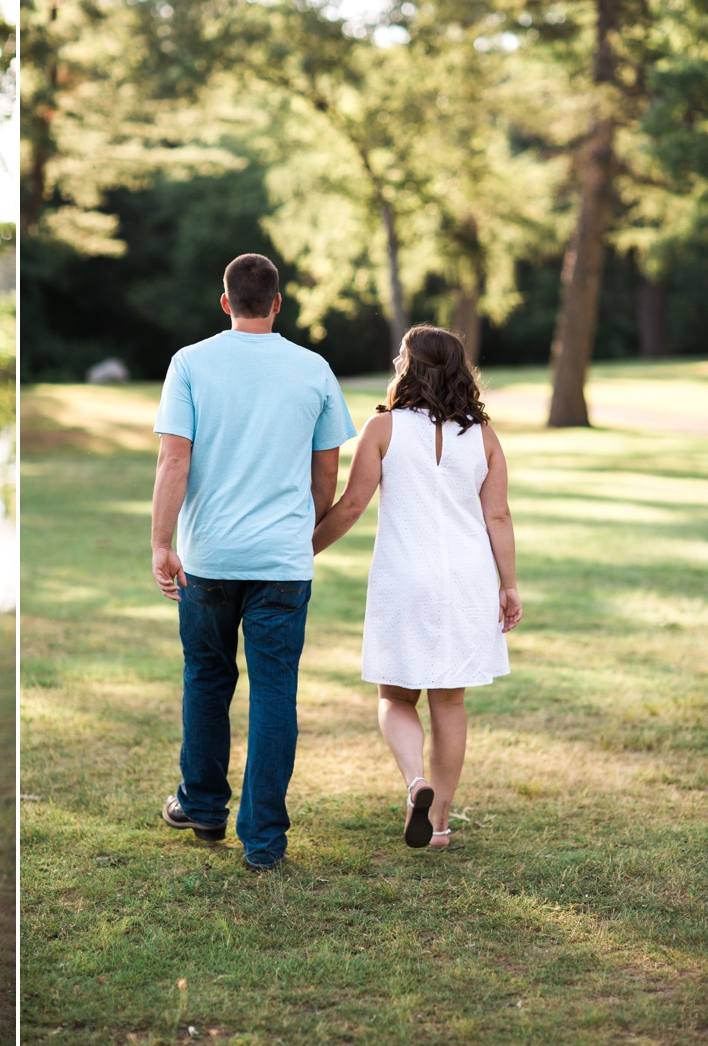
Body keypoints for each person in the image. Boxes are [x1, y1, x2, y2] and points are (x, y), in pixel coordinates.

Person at [152, 253, 357, 871]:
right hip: (283, 563)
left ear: (224, 302)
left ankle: (205, 808)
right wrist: (303, 531)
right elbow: (327, 473)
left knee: (206, 679)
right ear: (276, 303)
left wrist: (162, 543)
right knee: (274, 693)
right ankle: (264, 841)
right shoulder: (314, 368)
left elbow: (173, 461)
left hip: (209, 558)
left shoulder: (189, 363)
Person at [312, 324, 521, 850]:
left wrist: (303, 549)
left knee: (395, 695)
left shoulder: (383, 428)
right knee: (449, 702)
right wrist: (509, 584)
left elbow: (353, 506)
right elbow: (497, 514)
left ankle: (415, 783)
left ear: (409, 366)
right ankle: (441, 823)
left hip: (404, 576)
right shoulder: (483, 435)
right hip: (469, 578)